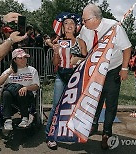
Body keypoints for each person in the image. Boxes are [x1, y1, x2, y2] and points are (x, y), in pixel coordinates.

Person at [79, 4, 131, 149]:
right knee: (95, 99)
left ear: (95, 18)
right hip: (95, 70)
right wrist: (84, 52)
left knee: (111, 102)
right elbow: (81, 39)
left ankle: (107, 133)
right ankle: (93, 125)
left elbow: (127, 48)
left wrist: (125, 68)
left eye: (85, 20)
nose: (83, 23)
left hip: (113, 70)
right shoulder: (85, 29)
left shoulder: (114, 27)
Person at [45, 12, 87, 150]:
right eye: (66, 23)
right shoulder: (58, 42)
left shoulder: (81, 42)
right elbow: (55, 63)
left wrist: (78, 59)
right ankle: (50, 135)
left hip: (76, 76)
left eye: (72, 23)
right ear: (62, 27)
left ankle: (73, 133)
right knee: (56, 105)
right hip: (61, 75)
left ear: (76, 27)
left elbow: (87, 61)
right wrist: (56, 52)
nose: (69, 25)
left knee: (74, 106)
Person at [0, 48, 40, 130]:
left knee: (21, 90)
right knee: (6, 93)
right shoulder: (9, 71)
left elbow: (36, 86)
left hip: (27, 95)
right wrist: (9, 72)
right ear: (14, 60)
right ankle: (7, 120)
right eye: (20, 58)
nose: (23, 60)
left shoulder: (32, 70)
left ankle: (25, 118)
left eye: (25, 57)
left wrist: (26, 88)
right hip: (12, 98)